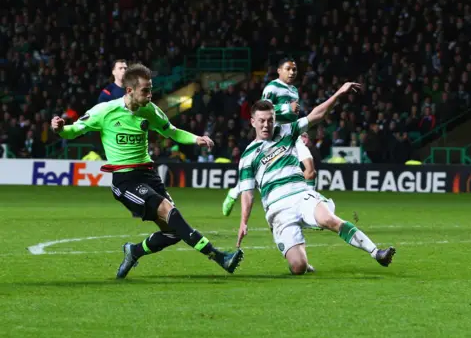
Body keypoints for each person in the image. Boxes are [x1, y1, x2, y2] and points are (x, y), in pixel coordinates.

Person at [50, 63, 244, 279]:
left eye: (151, 89)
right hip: (125, 180)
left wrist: (195, 138)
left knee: (172, 232)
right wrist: (60, 129)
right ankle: (219, 257)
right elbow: (74, 130)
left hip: (149, 176)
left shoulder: (149, 111)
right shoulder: (105, 111)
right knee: (170, 212)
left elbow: (171, 131)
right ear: (130, 90)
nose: (150, 94)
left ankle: (134, 251)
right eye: (145, 90)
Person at [234, 82, 396, 275]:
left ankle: (376, 252)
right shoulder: (248, 156)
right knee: (298, 267)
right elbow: (247, 193)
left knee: (329, 219)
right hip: (277, 211)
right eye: (261, 120)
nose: (266, 125)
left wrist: (339, 93)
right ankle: (302, 261)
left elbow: (316, 116)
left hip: (301, 195)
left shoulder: (287, 131)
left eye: (270, 120)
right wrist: (244, 221)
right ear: (252, 122)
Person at [221, 58, 304, 215]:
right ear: (279, 70)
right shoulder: (272, 87)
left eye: (294, 70)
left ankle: (306, 207)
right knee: (263, 169)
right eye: (288, 69)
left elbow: (293, 115)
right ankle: (235, 191)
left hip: (290, 134)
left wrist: (300, 129)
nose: (292, 72)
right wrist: (287, 108)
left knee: (309, 167)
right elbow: (263, 109)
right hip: (273, 134)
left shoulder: (294, 90)